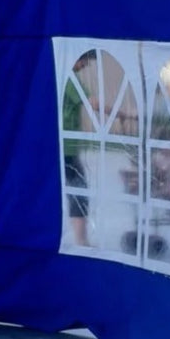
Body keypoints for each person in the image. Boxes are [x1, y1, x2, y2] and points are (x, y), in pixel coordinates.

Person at [61, 51, 102, 246]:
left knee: (74, 190)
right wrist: (125, 113)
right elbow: (93, 103)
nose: (86, 65)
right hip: (66, 149)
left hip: (62, 146)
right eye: (85, 60)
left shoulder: (60, 74)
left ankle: (80, 239)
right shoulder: (69, 78)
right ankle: (81, 240)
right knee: (79, 190)